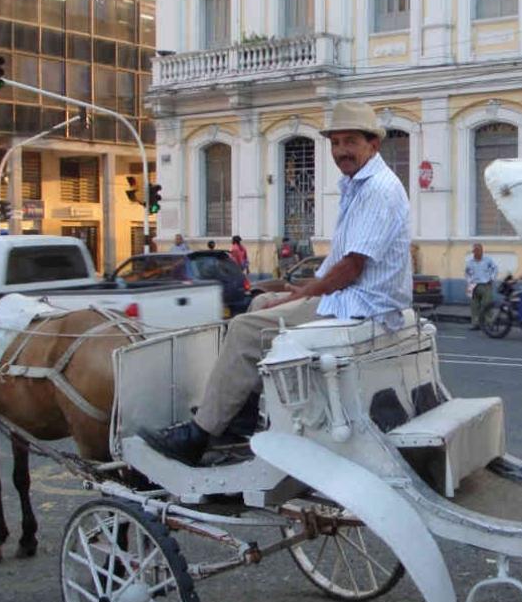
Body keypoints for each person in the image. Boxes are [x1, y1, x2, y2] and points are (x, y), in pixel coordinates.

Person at [141, 101, 412, 465]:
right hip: (358, 296)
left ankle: (199, 434)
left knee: (245, 327)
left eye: (350, 142)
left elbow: (352, 266)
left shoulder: (377, 188)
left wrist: (304, 293)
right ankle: (239, 419)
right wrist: (291, 288)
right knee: (257, 304)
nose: (341, 151)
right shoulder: (358, 184)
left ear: (372, 144)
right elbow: (340, 261)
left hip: (365, 304)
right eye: (335, 143)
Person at [464, 243, 498, 330]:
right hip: (473, 285)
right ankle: (475, 324)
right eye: (476, 250)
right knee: (474, 306)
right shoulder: (470, 262)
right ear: (473, 252)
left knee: (487, 305)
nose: (478, 252)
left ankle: (489, 323)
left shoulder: (488, 260)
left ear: (482, 251)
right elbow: (467, 273)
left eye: (479, 250)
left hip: (485, 285)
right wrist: (469, 282)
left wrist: (492, 278)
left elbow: (495, 268)